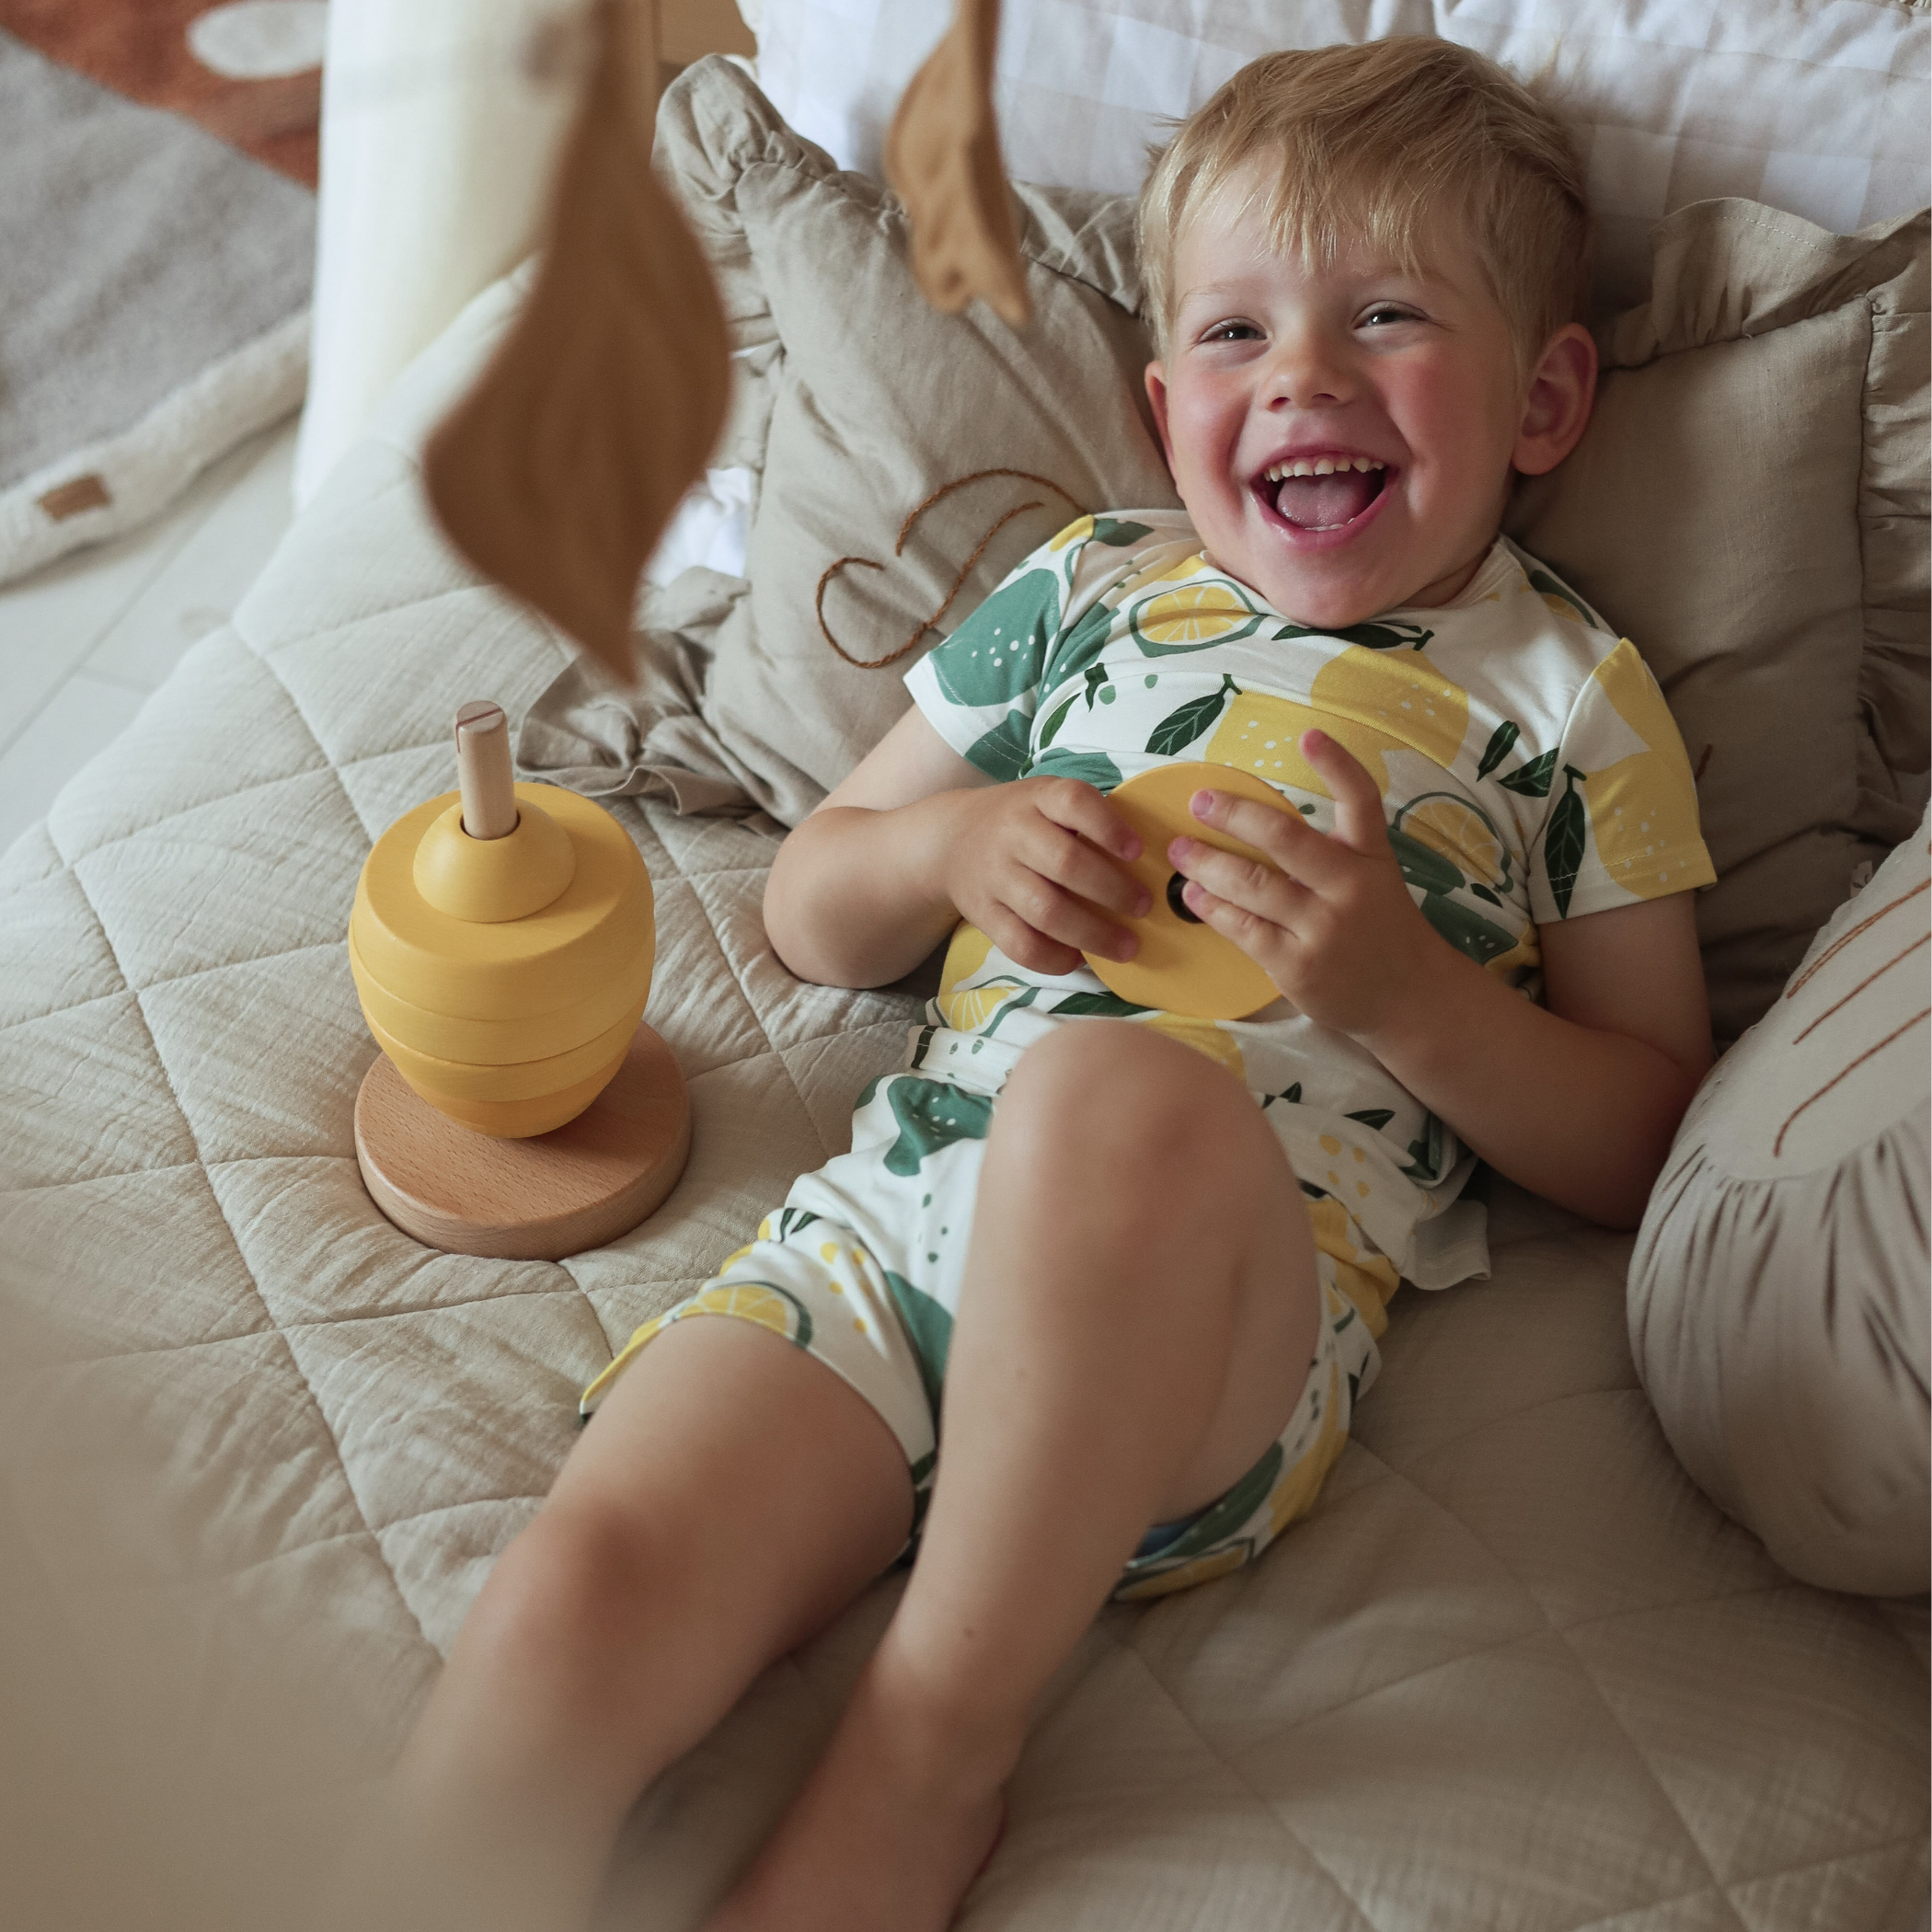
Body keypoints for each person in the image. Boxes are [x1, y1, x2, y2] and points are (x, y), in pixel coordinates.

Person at [370, 37, 1715, 1932]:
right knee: (575, 1605)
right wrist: (949, 850)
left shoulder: (1570, 699)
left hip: (1212, 1319)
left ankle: (925, 1755)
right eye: (1236, 333)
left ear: (1547, 397)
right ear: (1166, 410)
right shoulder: (1090, 591)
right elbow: (812, 909)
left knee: (1117, 1095)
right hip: (903, 1232)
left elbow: (1654, 1130)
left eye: (1387, 315)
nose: (1301, 377)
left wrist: (1406, 994)